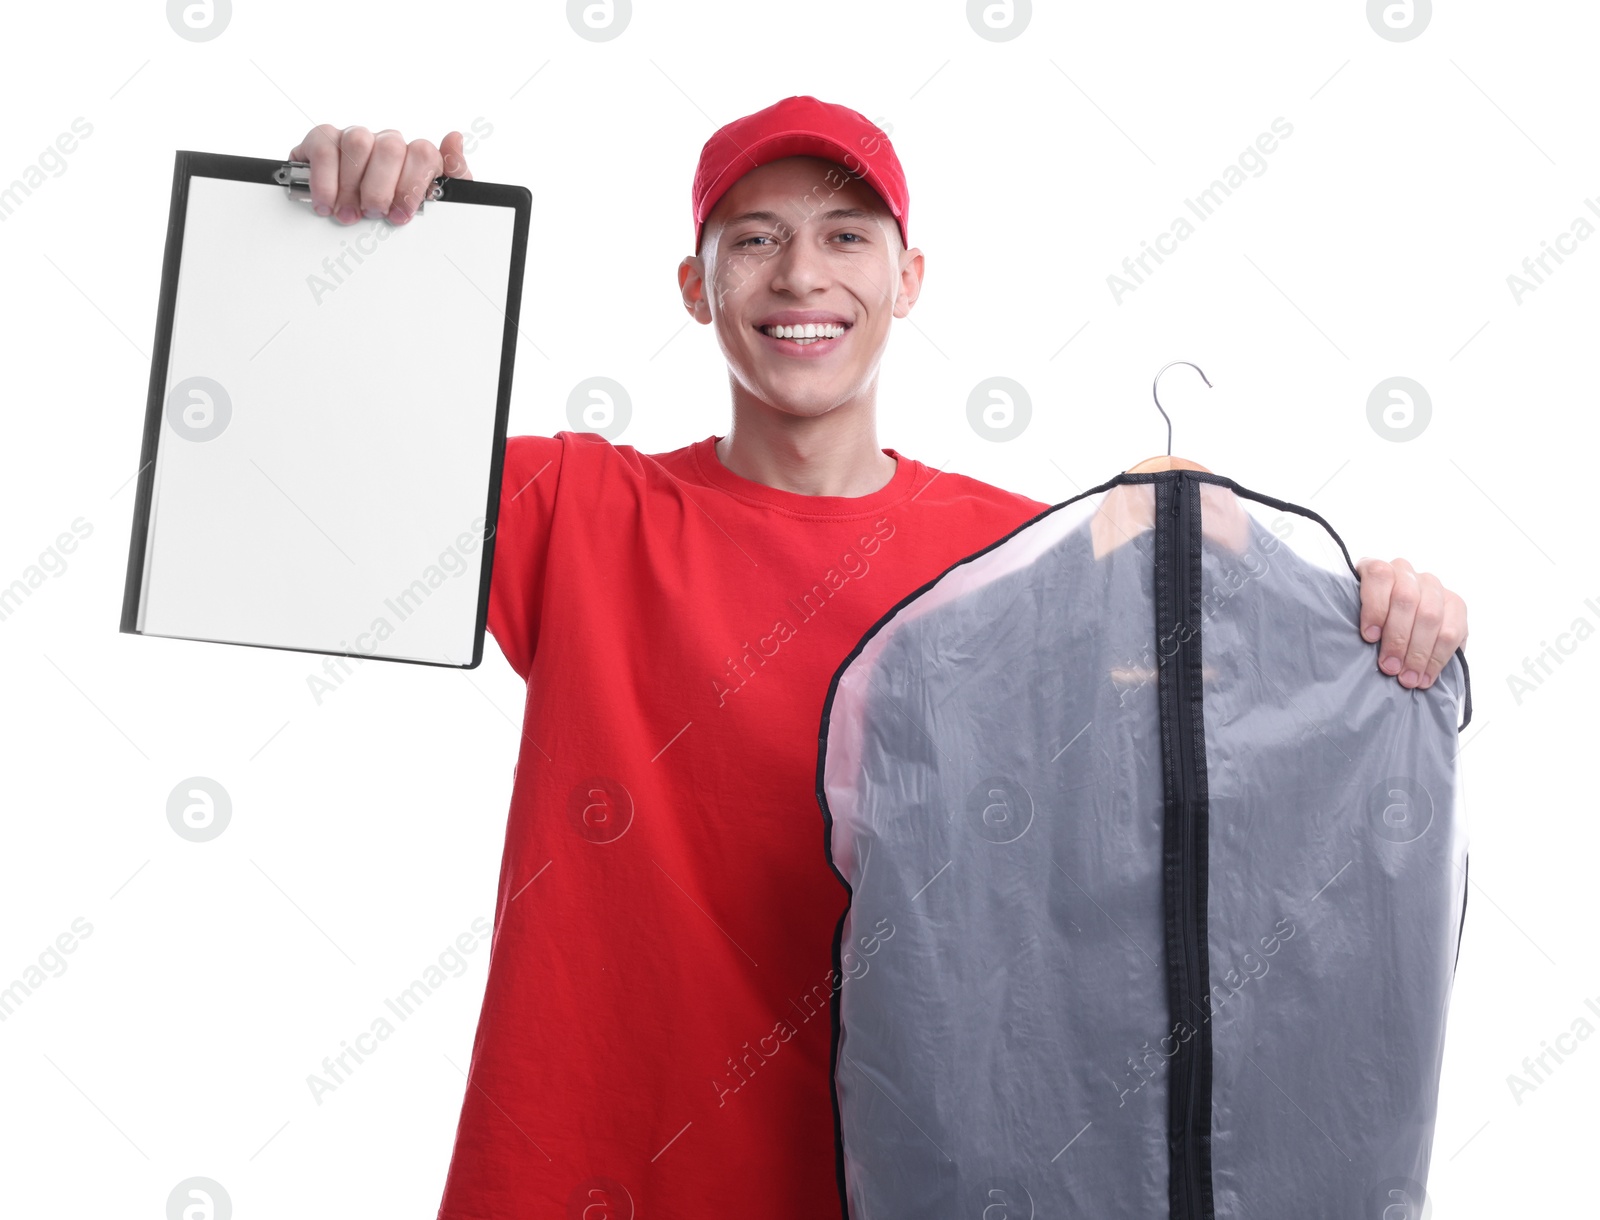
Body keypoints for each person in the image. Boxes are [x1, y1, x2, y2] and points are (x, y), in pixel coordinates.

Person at [287, 95, 1470, 1219]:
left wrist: (1371, 628)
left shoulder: (1028, 566)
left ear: (907, 280)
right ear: (697, 289)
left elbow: (1224, 771)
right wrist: (365, 257)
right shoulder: (579, 510)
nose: (801, 275)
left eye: (845, 235)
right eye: (754, 240)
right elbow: (281, 478)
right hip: (591, 1170)